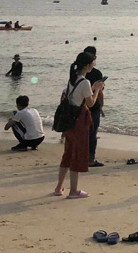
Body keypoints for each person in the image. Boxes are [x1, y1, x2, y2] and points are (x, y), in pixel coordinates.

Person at [53, 52, 104, 199]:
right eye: (93, 63)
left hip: (69, 118)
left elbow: (77, 96)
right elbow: (90, 103)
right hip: (79, 120)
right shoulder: (84, 81)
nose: (94, 65)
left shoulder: (73, 77)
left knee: (68, 153)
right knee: (77, 154)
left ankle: (59, 187)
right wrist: (98, 89)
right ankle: (73, 191)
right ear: (87, 65)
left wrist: (92, 88)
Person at [83, 46, 105, 168]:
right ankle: (90, 158)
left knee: (81, 132)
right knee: (92, 133)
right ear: (95, 58)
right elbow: (99, 92)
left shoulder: (76, 73)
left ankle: (79, 156)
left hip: (80, 106)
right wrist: (101, 105)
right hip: (93, 105)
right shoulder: (96, 73)